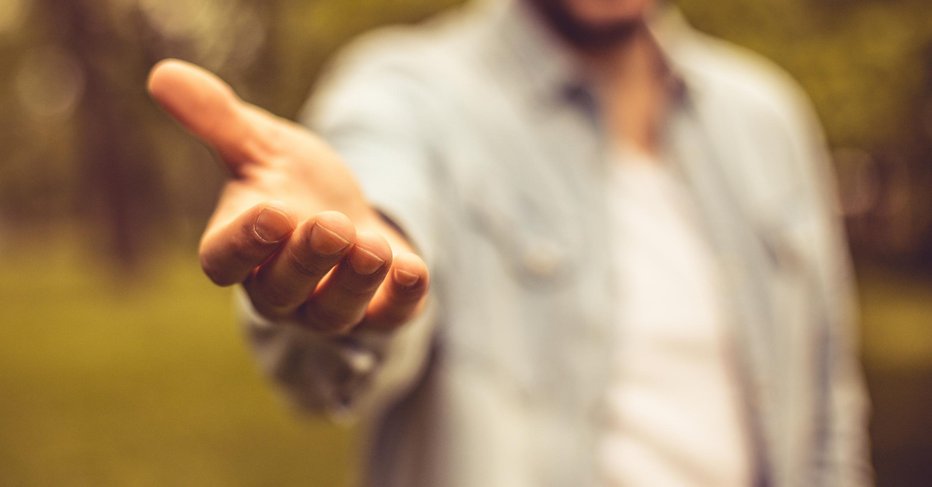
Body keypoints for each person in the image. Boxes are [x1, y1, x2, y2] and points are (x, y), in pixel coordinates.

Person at [147, 0, 872, 485]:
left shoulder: (767, 119)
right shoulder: (410, 90)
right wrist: (357, 267)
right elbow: (378, 205)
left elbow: (828, 403)